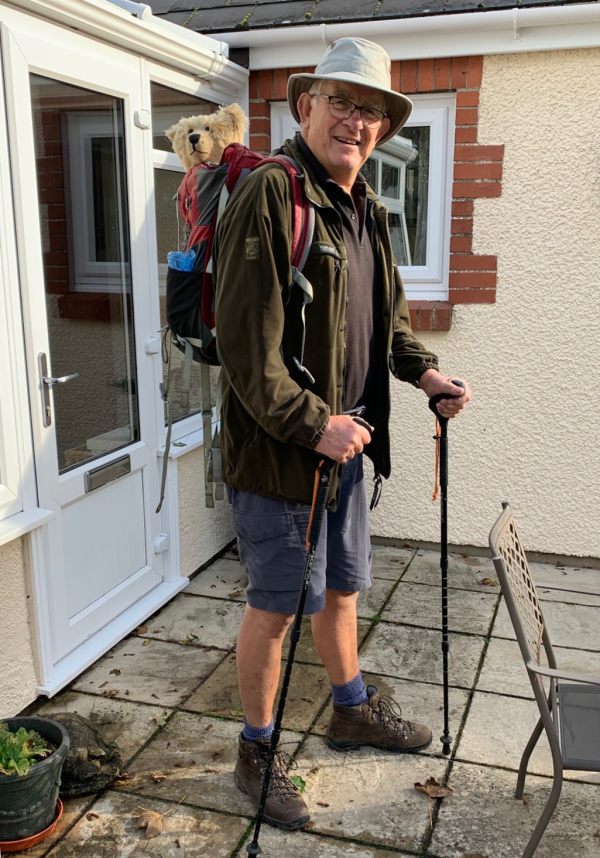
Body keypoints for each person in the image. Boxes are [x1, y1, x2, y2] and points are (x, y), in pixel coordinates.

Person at [214, 36, 471, 831]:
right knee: (276, 606)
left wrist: (425, 373)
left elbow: (386, 323)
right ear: (305, 107)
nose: (355, 122)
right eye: (341, 103)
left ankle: (350, 707)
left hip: (348, 451)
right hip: (284, 460)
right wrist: (310, 425)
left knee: (344, 585)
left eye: (370, 110)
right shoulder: (271, 193)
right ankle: (255, 754)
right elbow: (244, 351)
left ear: (384, 128)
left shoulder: (369, 209)